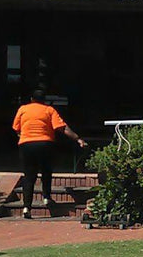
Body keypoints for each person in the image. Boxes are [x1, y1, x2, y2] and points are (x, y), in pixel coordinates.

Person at [12, 89, 87, 219]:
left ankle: (26, 207)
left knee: (29, 176)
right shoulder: (49, 110)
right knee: (46, 171)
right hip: (45, 144)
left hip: (26, 144)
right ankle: (46, 197)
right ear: (44, 100)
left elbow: (16, 128)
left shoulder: (23, 109)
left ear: (31, 99)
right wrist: (78, 138)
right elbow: (62, 128)